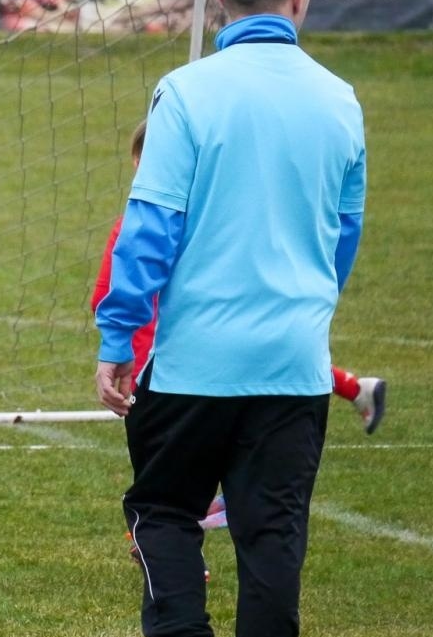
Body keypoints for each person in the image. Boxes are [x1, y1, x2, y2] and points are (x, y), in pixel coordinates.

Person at [95, 0, 367, 637]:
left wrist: (118, 333)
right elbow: (344, 235)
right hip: (293, 364)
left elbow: (150, 225)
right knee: (272, 534)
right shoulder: (340, 99)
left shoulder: (185, 92)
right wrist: (303, 311)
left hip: (195, 360)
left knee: (160, 509)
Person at [92, 117, 386, 445]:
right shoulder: (225, 219)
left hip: (176, 370)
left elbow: (106, 294)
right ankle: (356, 389)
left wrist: (121, 348)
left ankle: (355, 389)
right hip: (242, 348)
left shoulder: (137, 229)